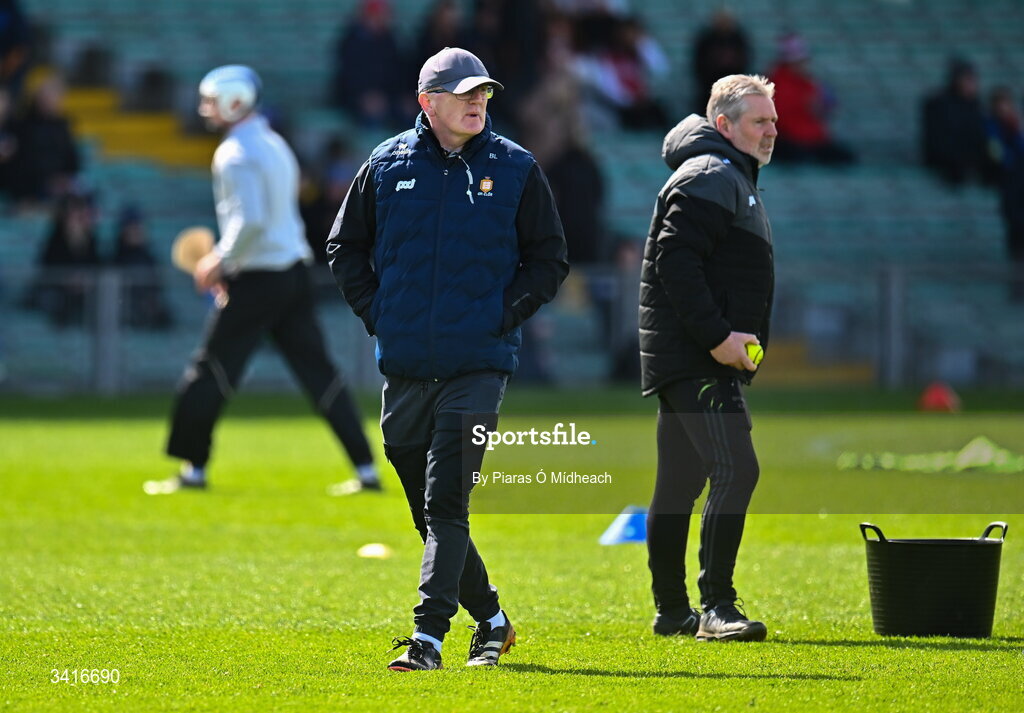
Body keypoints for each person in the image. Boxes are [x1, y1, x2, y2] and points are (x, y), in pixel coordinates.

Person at [328, 47, 568, 670]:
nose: (477, 102)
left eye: (484, 92)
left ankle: (428, 637)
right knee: (427, 512)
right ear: (427, 102)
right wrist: (380, 315)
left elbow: (549, 258)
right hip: (405, 365)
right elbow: (343, 247)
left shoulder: (516, 167)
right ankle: (491, 619)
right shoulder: (385, 164)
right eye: (464, 93)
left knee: (446, 505)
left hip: (479, 364)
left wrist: (502, 316)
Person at [150, 65, 379, 494]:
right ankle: (366, 469)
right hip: (292, 274)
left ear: (233, 102)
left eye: (211, 100)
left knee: (211, 370)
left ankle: (192, 470)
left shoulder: (233, 153)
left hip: (258, 279)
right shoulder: (276, 144)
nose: (204, 108)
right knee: (320, 374)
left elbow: (249, 222)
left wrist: (218, 262)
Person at [638, 74, 777, 642]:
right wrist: (719, 337)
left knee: (678, 483)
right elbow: (674, 261)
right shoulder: (710, 174)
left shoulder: (726, 173)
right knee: (736, 469)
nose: (772, 131)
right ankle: (716, 606)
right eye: (759, 122)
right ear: (725, 125)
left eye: (773, 121)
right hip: (696, 356)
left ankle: (672, 611)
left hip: (688, 355)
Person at [768, 33, 854, 165]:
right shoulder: (777, 83)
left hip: (811, 138)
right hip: (789, 139)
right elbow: (781, 119)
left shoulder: (810, 83)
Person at [922, 58, 989, 186]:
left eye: (973, 80)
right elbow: (936, 140)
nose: (972, 84)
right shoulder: (938, 104)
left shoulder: (975, 106)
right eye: (967, 79)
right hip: (947, 159)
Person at [984, 86, 1024, 301]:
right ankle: (1016, 289)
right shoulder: (990, 127)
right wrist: (1008, 162)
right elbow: (996, 152)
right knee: (1016, 241)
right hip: (1009, 186)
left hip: (1017, 184)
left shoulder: (1014, 126)